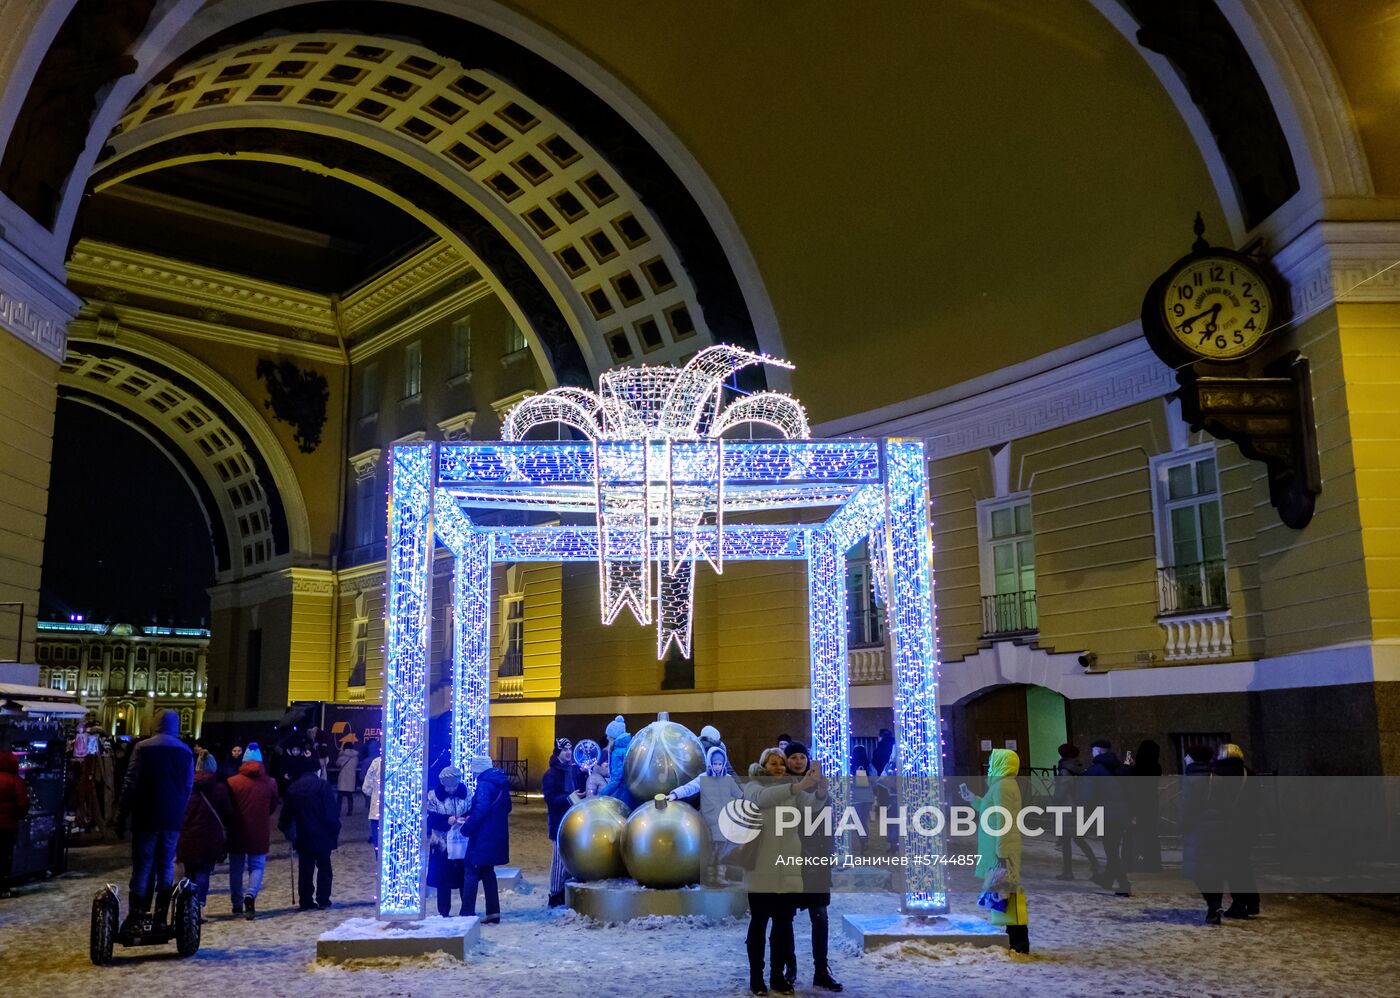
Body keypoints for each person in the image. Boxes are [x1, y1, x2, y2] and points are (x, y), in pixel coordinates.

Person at [743, 747, 815, 996]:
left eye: (781, 764)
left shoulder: (791, 788)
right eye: (773, 763)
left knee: (783, 925)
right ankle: (756, 978)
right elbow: (764, 799)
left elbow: (811, 806)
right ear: (763, 765)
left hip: (788, 867)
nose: (779, 768)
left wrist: (822, 790)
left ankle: (777, 977)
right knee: (759, 923)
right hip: (761, 867)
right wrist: (797, 786)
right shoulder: (753, 786)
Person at [116, 708, 193, 933]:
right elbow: (188, 787)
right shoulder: (186, 751)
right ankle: (161, 915)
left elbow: (130, 782)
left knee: (143, 865)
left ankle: (137, 914)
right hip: (172, 818)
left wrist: (121, 815)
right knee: (166, 864)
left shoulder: (142, 748)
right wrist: (179, 809)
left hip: (145, 815)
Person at [780, 743, 842, 992]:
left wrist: (828, 853)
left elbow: (827, 820)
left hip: (816, 858)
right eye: (793, 757)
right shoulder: (782, 784)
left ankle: (820, 970)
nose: (798, 761)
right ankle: (789, 968)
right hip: (791, 857)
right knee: (785, 917)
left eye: (802, 757)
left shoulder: (819, 785)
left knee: (820, 916)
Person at [960, 748, 1029, 953]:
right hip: (1000, 848)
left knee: (1008, 891)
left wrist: (1002, 854)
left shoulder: (1003, 786)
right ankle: (1015, 939)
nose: (989, 765)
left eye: (992, 761)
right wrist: (973, 799)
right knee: (1005, 892)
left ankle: (1019, 941)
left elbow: (1003, 821)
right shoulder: (1002, 785)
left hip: (1002, 850)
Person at [1183, 743, 1260, 924]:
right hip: (1246, 824)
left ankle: (1236, 904)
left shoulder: (1215, 773)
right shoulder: (1248, 773)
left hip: (1221, 825)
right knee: (1241, 863)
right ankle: (1251, 902)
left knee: (1222, 866)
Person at [668, 744, 744, 884]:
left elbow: (739, 795)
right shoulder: (703, 778)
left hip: (723, 820)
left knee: (721, 850)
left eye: (720, 764)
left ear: (723, 764)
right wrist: (675, 794)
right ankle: (709, 875)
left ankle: (720, 875)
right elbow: (690, 788)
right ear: (710, 763)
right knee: (710, 849)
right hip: (708, 820)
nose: (717, 766)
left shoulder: (728, 779)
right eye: (714, 763)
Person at [280, 754, 342, 911]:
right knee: (324, 867)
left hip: (303, 835)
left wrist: (286, 830)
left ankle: (306, 900)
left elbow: (286, 815)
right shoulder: (323, 786)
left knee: (305, 869)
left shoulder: (293, 788)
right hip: (323, 834)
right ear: (316, 770)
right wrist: (335, 830)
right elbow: (331, 813)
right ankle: (323, 899)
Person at [226, 741, 279, 919]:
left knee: (236, 868)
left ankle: (236, 903)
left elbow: (228, 807)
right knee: (257, 866)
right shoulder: (270, 782)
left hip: (237, 830)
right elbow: (272, 806)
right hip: (259, 830)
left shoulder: (232, 782)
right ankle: (250, 896)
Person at [176, 760, 234, 915]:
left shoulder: (186, 786)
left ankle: (188, 905)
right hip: (209, 837)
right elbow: (228, 812)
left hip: (187, 836)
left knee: (189, 872)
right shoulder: (219, 788)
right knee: (203, 871)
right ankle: (199, 904)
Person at [462, 754, 512, 923]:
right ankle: (493, 912)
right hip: (496, 835)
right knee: (488, 871)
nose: (473, 773)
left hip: (482, 835)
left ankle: (466, 913)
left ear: (479, 769)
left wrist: (466, 828)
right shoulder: (501, 783)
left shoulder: (484, 784)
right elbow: (507, 807)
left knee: (471, 869)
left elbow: (481, 809)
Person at [1081, 738, 1131, 896]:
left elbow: (1088, 797)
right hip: (1122, 813)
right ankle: (1107, 879)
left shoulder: (1095, 769)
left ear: (1096, 751)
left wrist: (1088, 813)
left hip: (1105, 814)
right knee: (1113, 847)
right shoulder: (1121, 767)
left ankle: (1124, 884)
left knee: (1111, 850)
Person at [543, 738, 586, 907]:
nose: (568, 753)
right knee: (559, 861)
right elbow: (551, 799)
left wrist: (583, 774)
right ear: (558, 753)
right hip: (559, 822)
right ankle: (554, 894)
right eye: (565, 750)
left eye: (570, 749)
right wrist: (570, 797)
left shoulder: (574, 771)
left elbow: (581, 789)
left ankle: (564, 891)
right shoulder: (551, 774)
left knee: (570, 859)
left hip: (574, 821)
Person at [426, 765, 471, 917]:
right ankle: (443, 911)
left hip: (462, 843)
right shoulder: (433, 796)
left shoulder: (467, 794)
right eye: (448, 786)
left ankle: (467, 909)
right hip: (441, 844)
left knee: (464, 877)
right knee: (442, 878)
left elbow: (472, 812)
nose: (451, 789)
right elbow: (429, 817)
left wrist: (465, 820)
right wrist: (446, 820)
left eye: (454, 785)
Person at [1053, 743, 1099, 881]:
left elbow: (1060, 795)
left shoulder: (1065, 771)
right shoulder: (1079, 768)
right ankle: (1095, 863)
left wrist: (1054, 802)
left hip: (1066, 809)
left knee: (1067, 841)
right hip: (1078, 807)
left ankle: (1068, 872)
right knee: (1079, 839)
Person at [1126, 739, 1163, 872]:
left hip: (1138, 804)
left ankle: (1136, 862)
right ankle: (1153, 863)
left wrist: (1128, 768)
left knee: (1136, 834)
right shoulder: (1156, 766)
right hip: (1152, 803)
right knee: (1151, 834)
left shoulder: (1138, 769)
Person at [0, 750, 32, 899]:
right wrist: (18, 815)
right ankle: (3, 888)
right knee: (5, 857)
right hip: (7, 826)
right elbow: (23, 803)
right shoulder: (15, 781)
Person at [600, 715, 636, 809]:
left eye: (609, 735)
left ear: (613, 737)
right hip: (632, 793)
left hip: (622, 795)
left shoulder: (617, 753)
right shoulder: (629, 748)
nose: (607, 737)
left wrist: (601, 794)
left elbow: (616, 779)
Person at [335, 738, 359, 816]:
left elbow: (337, 764)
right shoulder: (355, 756)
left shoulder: (342, 756)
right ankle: (350, 811)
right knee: (350, 797)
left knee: (340, 798)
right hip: (351, 778)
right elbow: (356, 764)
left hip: (343, 778)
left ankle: (338, 811)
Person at [363, 750, 382, 847]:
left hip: (377, 811)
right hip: (398, 815)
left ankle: (378, 859)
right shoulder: (403, 762)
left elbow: (366, 788)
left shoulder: (376, 762)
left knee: (378, 842)